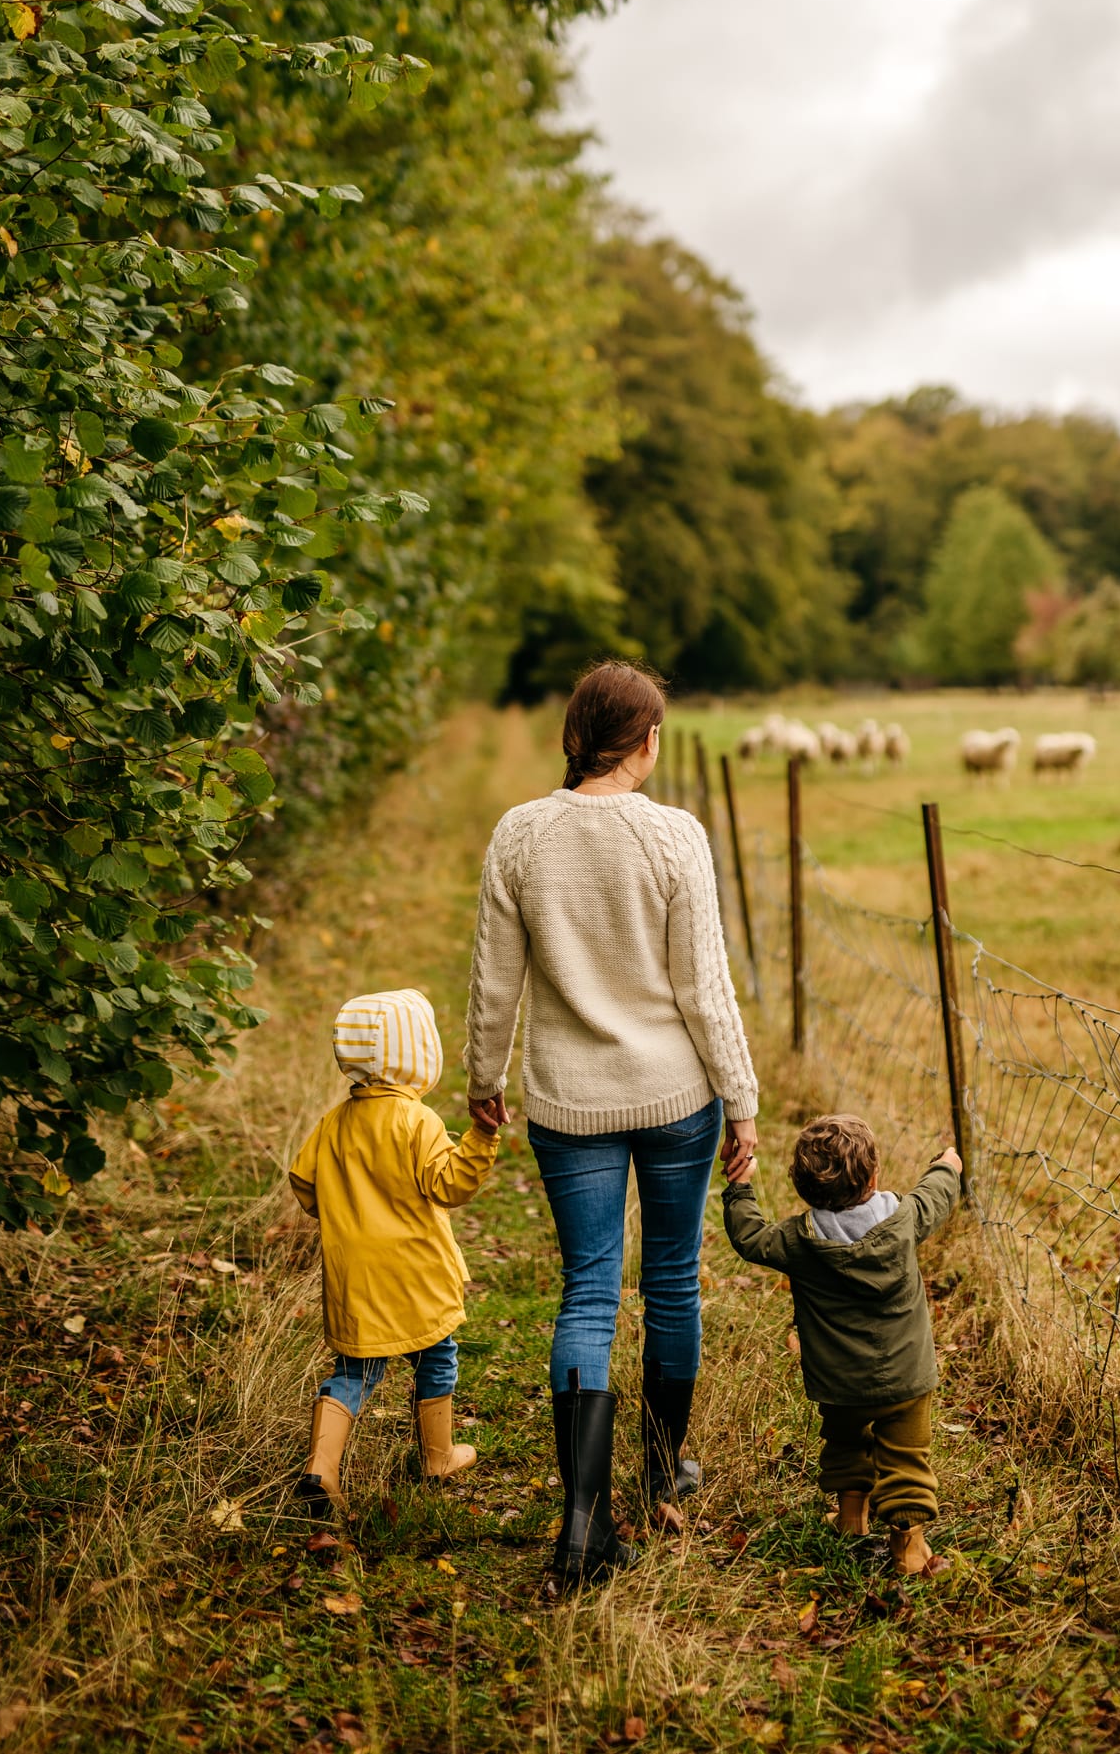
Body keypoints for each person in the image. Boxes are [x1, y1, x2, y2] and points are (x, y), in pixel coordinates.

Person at [464, 659, 759, 1596]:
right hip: (677, 1099)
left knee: (588, 1291)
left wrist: (483, 1076)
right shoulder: (675, 838)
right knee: (672, 1281)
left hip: (567, 1103)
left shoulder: (520, 834)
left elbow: (493, 979)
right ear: (646, 740)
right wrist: (741, 1097)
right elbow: (703, 989)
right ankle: (663, 1469)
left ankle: (582, 1521)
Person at [289, 988, 499, 1518]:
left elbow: (305, 1186)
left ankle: (322, 1466)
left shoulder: (334, 1123)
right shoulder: (417, 1121)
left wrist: (343, 1205)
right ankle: (437, 1457)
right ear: (414, 1053)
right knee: (436, 1355)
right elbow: (450, 1185)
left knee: (355, 1371)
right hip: (416, 1272)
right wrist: (481, 1138)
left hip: (355, 1276)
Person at [722, 1113, 961, 1578]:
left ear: (802, 1189)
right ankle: (909, 1550)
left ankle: (852, 1516)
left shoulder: (797, 1241)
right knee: (906, 1456)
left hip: (838, 1384)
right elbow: (937, 1196)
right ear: (874, 1177)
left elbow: (748, 1236)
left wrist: (740, 1187)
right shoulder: (904, 1219)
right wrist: (946, 1165)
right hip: (907, 1380)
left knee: (847, 1442)